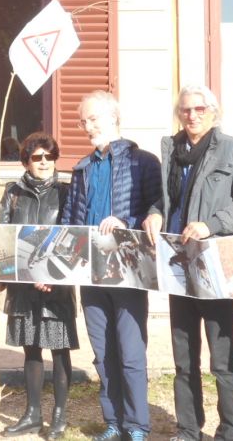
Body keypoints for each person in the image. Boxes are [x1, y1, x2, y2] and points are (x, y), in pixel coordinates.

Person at [143, 85, 233, 441]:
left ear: (213, 112)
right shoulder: (172, 150)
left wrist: (212, 225)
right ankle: (188, 429)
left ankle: (228, 432)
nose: (191, 115)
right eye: (185, 109)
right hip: (178, 264)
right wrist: (154, 213)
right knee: (183, 356)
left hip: (215, 264)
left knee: (222, 357)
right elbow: (166, 200)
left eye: (199, 109)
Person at [61, 92, 162, 441]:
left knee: (130, 351)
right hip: (90, 269)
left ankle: (136, 425)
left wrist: (126, 221)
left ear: (114, 117)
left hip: (128, 269)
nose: (87, 127)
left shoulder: (143, 162)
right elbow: (70, 219)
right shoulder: (82, 168)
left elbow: (156, 208)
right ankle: (114, 422)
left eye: (93, 119)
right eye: (83, 121)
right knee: (103, 352)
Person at [0, 132, 78, 440]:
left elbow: (74, 236)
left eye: (49, 157)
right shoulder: (12, 192)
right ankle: (32, 414)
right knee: (31, 349)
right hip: (24, 285)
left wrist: (53, 274)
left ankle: (59, 416)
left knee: (60, 349)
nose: (44, 162)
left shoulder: (67, 192)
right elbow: (2, 238)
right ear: (25, 161)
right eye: (37, 157)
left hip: (56, 284)